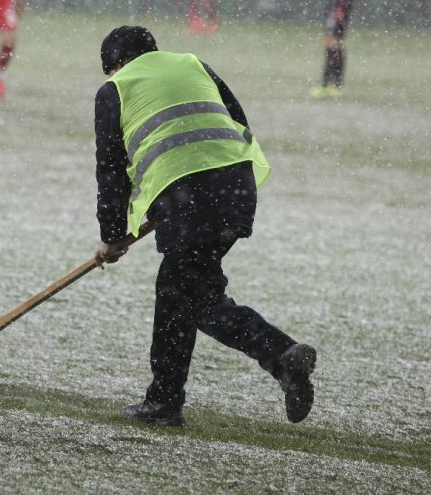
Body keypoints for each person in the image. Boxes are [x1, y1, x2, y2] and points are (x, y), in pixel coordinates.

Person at [94, 26, 317, 427]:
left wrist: (111, 236)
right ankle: (167, 399)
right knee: (185, 291)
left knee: (190, 296)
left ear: (118, 63)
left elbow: (111, 169)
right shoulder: (193, 64)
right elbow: (236, 120)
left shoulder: (116, 89)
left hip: (188, 196)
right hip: (236, 187)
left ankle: (278, 356)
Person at [310, 0, 356, 99]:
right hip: (335, 3)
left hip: (339, 5)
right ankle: (332, 84)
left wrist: (341, 7)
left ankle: (332, 85)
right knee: (332, 43)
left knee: (334, 43)